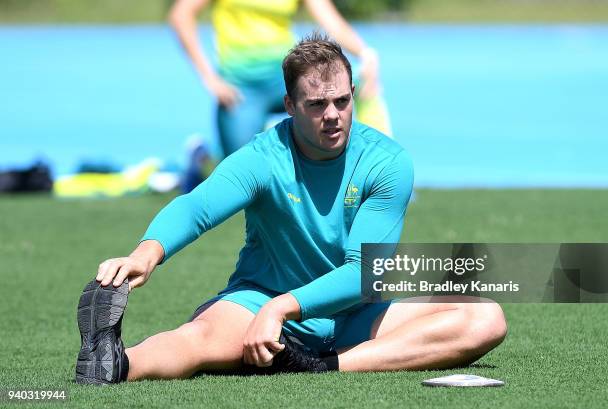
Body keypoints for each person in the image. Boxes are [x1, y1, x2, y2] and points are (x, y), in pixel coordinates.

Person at [75, 34, 506, 384]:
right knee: (197, 338)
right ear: (289, 105)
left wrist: (283, 308)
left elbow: (362, 272)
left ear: (353, 94)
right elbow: (197, 207)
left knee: (485, 317)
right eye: (316, 105)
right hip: (256, 301)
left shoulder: (387, 162)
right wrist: (146, 253)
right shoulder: (264, 157)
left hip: (351, 314)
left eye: (341, 101)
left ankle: (325, 364)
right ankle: (115, 363)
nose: (332, 116)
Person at [168, 0, 392, 162]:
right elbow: (180, 15)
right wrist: (209, 78)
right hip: (242, 87)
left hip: (286, 76)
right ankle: (203, 153)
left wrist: (366, 54)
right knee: (242, 169)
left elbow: (330, 21)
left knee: (362, 85)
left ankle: (382, 167)